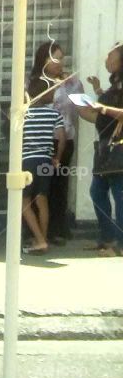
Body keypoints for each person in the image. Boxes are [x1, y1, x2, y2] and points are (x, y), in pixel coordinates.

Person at [34, 41, 85, 244]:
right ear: (44, 60)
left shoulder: (71, 83)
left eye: (62, 58)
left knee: (60, 184)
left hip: (65, 139)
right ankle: (36, 231)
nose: (60, 62)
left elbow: (83, 107)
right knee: (41, 187)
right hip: (42, 140)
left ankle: (57, 229)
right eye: (55, 57)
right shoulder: (36, 82)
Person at [81, 44, 123, 256]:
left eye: (110, 56)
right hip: (106, 148)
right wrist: (98, 91)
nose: (106, 59)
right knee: (97, 192)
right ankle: (106, 239)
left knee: (120, 195)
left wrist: (102, 107)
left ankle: (119, 246)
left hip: (119, 149)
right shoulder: (115, 84)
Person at [20, 71, 66, 255]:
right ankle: (43, 239)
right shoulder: (54, 114)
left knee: (24, 202)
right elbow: (61, 138)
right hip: (46, 160)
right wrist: (57, 158)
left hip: (27, 160)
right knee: (42, 201)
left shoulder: (24, 113)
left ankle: (39, 240)